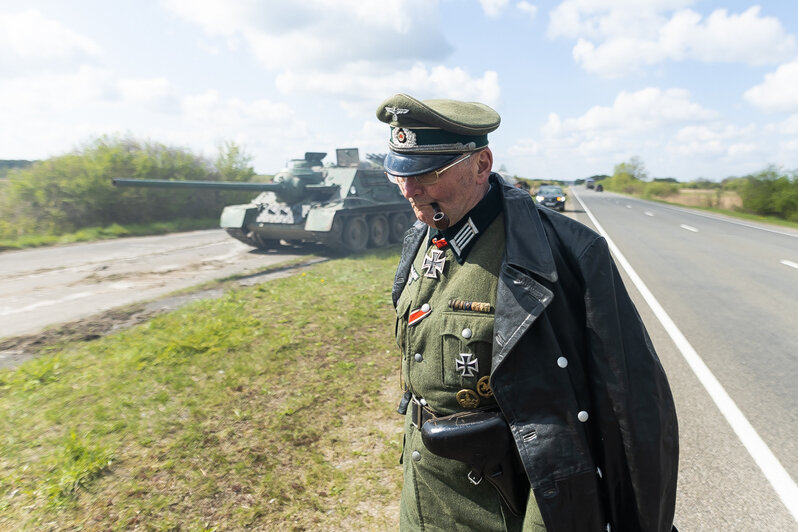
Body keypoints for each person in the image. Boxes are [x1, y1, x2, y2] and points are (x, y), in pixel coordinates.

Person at [377, 93, 678, 531]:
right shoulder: (424, 237)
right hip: (425, 494)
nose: (410, 189)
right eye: (399, 174)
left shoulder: (563, 257)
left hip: (504, 508)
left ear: (482, 164)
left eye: (427, 173)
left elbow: (626, 411)